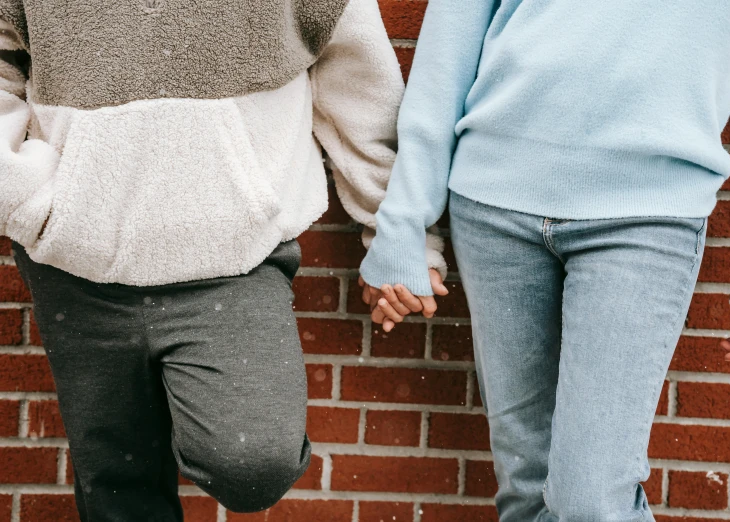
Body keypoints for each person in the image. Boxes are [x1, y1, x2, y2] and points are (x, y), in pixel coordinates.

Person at [0, 0, 437, 519]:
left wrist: (399, 239)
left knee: (253, 461)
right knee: (118, 485)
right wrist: (27, 202)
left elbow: (362, 88)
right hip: (78, 265)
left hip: (235, 261)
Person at [359, 1, 730, 520]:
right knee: (525, 487)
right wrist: (403, 225)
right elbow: (443, 62)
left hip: (647, 215)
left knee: (590, 499)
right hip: (494, 203)